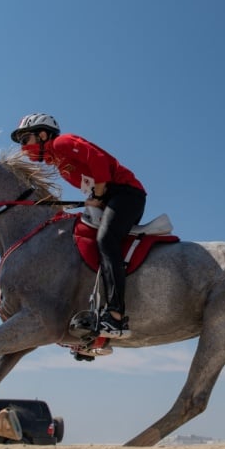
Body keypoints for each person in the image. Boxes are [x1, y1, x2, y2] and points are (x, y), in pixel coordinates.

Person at [11, 113, 146, 338]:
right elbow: (92, 187)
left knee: (107, 240)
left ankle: (116, 317)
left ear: (43, 135)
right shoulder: (59, 164)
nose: (23, 148)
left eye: (26, 140)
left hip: (127, 195)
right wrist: (94, 198)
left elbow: (98, 161)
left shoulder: (62, 143)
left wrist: (99, 194)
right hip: (110, 199)